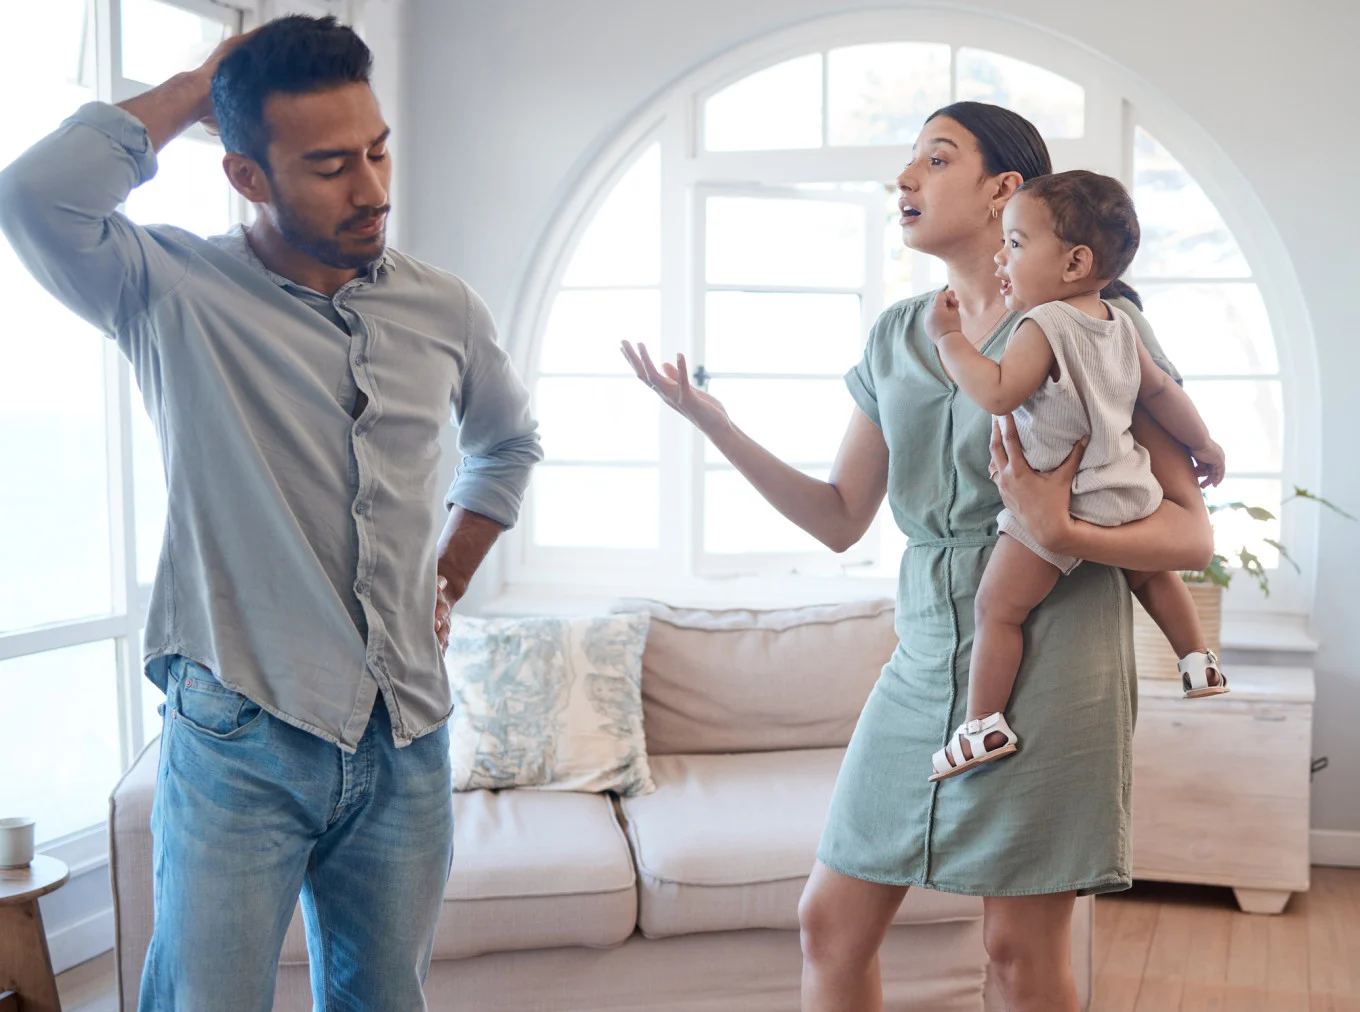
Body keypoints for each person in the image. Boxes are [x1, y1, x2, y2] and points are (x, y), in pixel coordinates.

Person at [0, 15, 541, 1012]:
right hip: (239, 732)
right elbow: (33, 193)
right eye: (331, 165)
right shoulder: (167, 288)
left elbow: (506, 444)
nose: (373, 188)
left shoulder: (445, 308)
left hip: (405, 734)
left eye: (378, 150)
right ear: (247, 176)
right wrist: (196, 86)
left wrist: (451, 570)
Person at [623, 101, 1213, 1011]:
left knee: (1018, 947)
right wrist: (718, 427)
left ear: (1002, 193)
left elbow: (1189, 532)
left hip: (1058, 652)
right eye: (909, 162)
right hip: (925, 654)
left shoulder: (1097, 324)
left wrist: (1066, 536)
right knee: (830, 920)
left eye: (935, 161)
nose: (905, 179)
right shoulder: (900, 334)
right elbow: (837, 516)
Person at [922, 169, 1229, 782]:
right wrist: (1207, 445)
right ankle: (1197, 658)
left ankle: (982, 725)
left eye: (1014, 243)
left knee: (997, 611)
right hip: (1125, 488)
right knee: (1152, 572)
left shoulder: (1045, 326)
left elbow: (999, 392)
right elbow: (1163, 393)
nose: (998, 256)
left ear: (1074, 262)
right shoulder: (1117, 323)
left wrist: (950, 340)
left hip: (1062, 505)